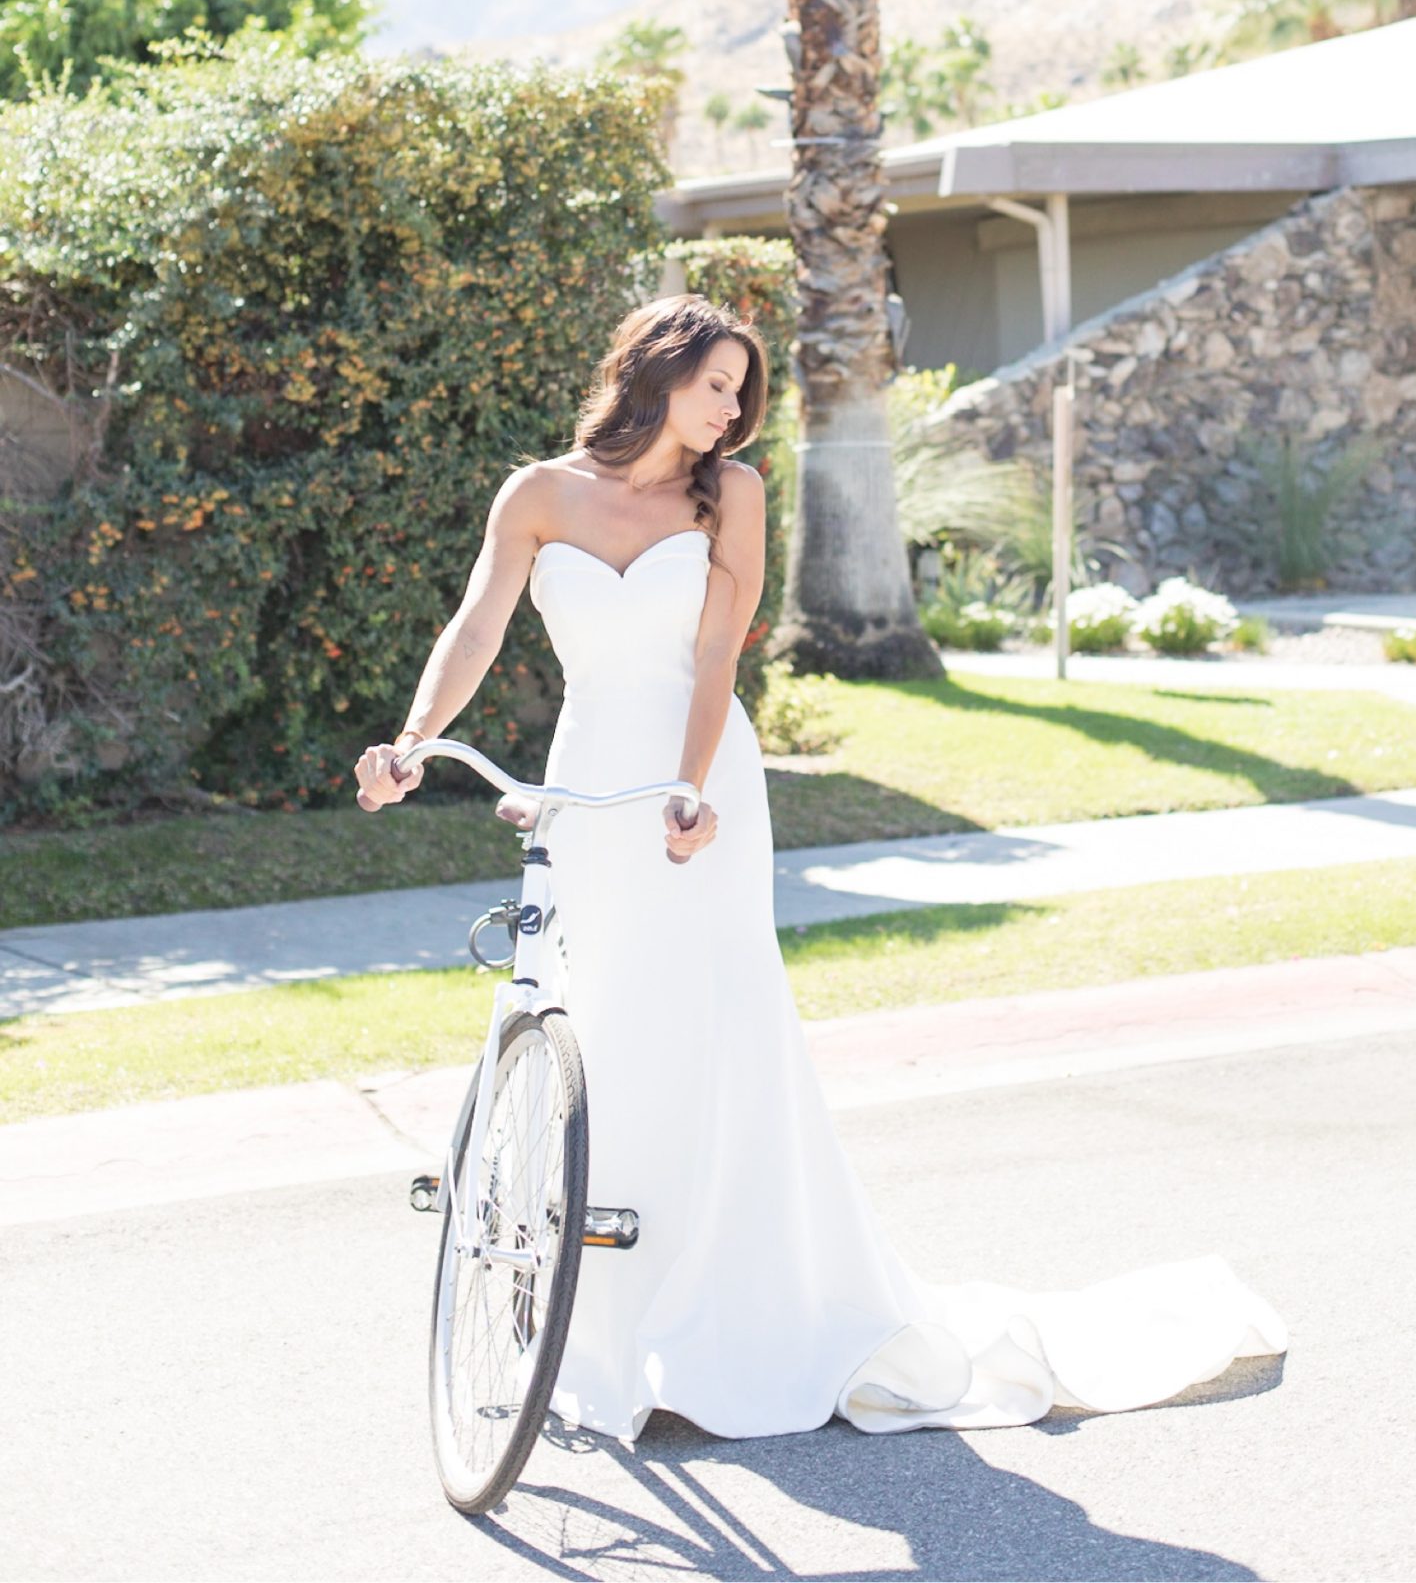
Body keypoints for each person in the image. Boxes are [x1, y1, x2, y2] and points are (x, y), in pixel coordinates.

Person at [354, 294, 1286, 1441]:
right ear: (657, 371)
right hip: (588, 767)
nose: (733, 409)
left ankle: (725, 1314)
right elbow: (478, 624)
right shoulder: (538, 493)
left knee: (708, 1020)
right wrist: (409, 739)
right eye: (716, 385)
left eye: (744, 390)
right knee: (590, 1016)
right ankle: (586, 1323)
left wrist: (692, 785)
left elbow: (716, 653)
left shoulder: (731, 494)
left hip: (697, 783)